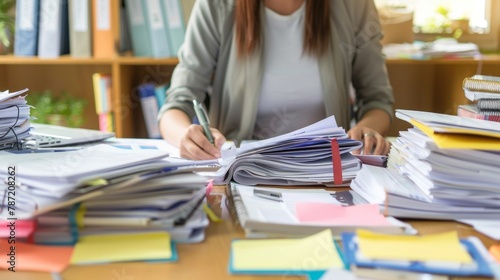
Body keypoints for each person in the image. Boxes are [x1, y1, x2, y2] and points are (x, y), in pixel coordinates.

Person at [158, 0, 394, 160]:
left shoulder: (353, 5)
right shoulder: (216, 5)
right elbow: (177, 101)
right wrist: (185, 136)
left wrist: (366, 131)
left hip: (328, 168)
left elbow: (377, 100)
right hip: (241, 170)